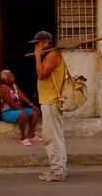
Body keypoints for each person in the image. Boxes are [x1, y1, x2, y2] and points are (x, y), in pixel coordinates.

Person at [29, 30, 67, 182]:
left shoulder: (52, 55)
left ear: (44, 43)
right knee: (57, 137)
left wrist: (38, 56)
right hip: (50, 101)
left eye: (38, 44)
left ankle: (57, 172)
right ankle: (60, 169)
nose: (37, 47)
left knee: (51, 137)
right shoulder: (54, 55)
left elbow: (41, 74)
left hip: (51, 102)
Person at [0, 69, 42, 146]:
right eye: (10, 77)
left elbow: (21, 95)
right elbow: (11, 103)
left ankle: (31, 135)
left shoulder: (14, 85)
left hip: (17, 110)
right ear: (4, 79)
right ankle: (23, 138)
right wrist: (22, 110)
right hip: (7, 113)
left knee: (35, 112)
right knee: (23, 114)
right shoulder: (3, 88)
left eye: (12, 75)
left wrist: (31, 105)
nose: (13, 77)